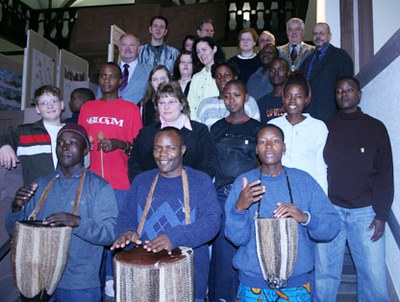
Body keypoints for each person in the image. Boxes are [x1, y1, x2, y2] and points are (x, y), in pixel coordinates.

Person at [225, 124, 339, 301]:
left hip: (297, 284)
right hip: (253, 283)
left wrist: (304, 217)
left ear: (284, 147)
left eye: (275, 141)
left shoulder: (303, 181)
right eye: (263, 141)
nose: (269, 146)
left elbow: (332, 227)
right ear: (256, 149)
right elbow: (235, 238)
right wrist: (239, 209)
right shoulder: (244, 183)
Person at [5, 123, 118, 302]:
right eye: (60, 142)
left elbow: (110, 234)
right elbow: (14, 232)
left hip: (79, 284)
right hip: (38, 279)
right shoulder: (40, 184)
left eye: (73, 142)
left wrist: (78, 222)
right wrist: (16, 208)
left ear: (85, 150)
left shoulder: (99, 187)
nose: (65, 147)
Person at [111, 127, 221, 302]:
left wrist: (174, 237)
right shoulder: (142, 181)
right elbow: (126, 215)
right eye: (157, 147)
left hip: (188, 277)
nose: (163, 153)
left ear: (182, 150)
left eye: (171, 147)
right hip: (143, 276)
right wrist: (127, 231)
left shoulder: (200, 181)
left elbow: (212, 222)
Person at [315, 77, 394, 302]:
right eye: (339, 91)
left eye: (349, 90)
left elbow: (385, 174)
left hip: (366, 214)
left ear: (359, 94)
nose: (344, 94)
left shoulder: (376, 128)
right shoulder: (325, 127)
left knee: (374, 278)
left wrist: (381, 215)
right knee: (325, 275)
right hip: (332, 210)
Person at [78, 62, 142, 297]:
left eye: (112, 76)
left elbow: (140, 149)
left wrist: (120, 145)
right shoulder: (87, 108)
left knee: (117, 234)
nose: (106, 81)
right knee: (94, 233)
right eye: (103, 76)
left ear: (120, 80)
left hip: (120, 183)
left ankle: (115, 281)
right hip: (91, 183)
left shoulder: (130, 109)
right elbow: (80, 144)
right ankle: (93, 282)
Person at [208, 80, 261, 302]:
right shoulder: (217, 128)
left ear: (246, 97)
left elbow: (262, 164)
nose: (232, 100)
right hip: (222, 196)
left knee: (250, 250)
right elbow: (211, 162)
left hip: (250, 196)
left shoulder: (257, 127)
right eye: (227, 96)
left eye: (236, 95)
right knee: (223, 254)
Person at [129, 81, 215, 181]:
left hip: (191, 190)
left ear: (182, 104)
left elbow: (208, 165)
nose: (166, 107)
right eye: (162, 103)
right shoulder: (145, 133)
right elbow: (134, 166)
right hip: (152, 190)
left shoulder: (200, 131)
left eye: (171, 102)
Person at [269, 73, 328, 193]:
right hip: (277, 190)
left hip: (306, 191)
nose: (292, 101)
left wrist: (322, 200)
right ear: (283, 98)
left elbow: (321, 167)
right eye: (288, 96)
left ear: (306, 99)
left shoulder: (318, 127)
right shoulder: (273, 125)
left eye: (298, 97)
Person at [0, 85, 64, 185]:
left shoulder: (72, 132)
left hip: (69, 194)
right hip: (36, 196)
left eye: (54, 101)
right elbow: (3, 138)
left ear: (62, 105)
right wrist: (4, 146)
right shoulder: (24, 132)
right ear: (38, 109)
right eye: (44, 103)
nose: (50, 106)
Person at [299, 22, 354, 121]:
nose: (318, 36)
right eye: (315, 34)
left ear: (329, 36)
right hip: (309, 115)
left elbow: (346, 87)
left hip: (332, 115)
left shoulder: (341, 57)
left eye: (322, 33)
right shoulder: (307, 60)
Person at [196, 61, 260, 129]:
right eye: (218, 76)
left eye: (226, 75)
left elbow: (256, 130)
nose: (222, 79)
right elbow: (198, 134)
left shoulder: (248, 101)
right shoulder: (205, 105)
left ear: (235, 77)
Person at [187, 37, 225, 117]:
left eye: (204, 50)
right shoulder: (196, 77)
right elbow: (190, 102)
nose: (201, 54)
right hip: (198, 123)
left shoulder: (223, 74)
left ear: (214, 49)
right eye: (198, 52)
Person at [257, 58, 289, 124]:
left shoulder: (293, 101)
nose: (276, 73)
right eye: (272, 70)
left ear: (288, 73)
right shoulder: (261, 103)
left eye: (281, 69)